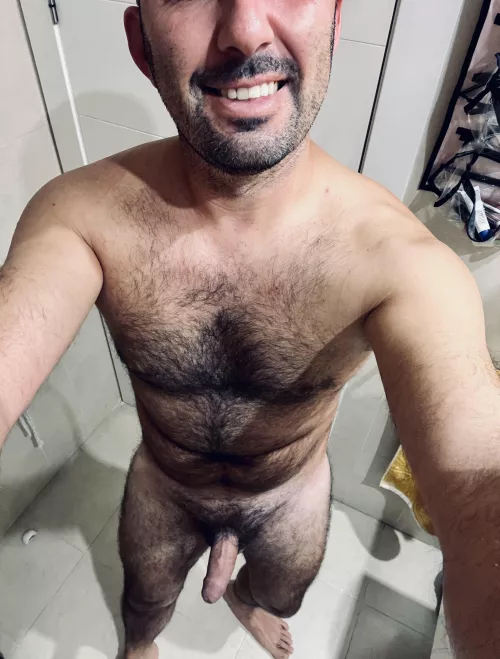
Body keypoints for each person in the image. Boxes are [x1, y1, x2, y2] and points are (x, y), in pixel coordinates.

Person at [0, 0, 499, 657]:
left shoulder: (398, 259)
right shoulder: (80, 216)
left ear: (334, 25)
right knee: (144, 602)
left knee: (281, 594)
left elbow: (481, 479)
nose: (245, 29)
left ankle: (245, 598)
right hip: (166, 483)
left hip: (289, 494)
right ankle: (140, 646)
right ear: (142, 44)